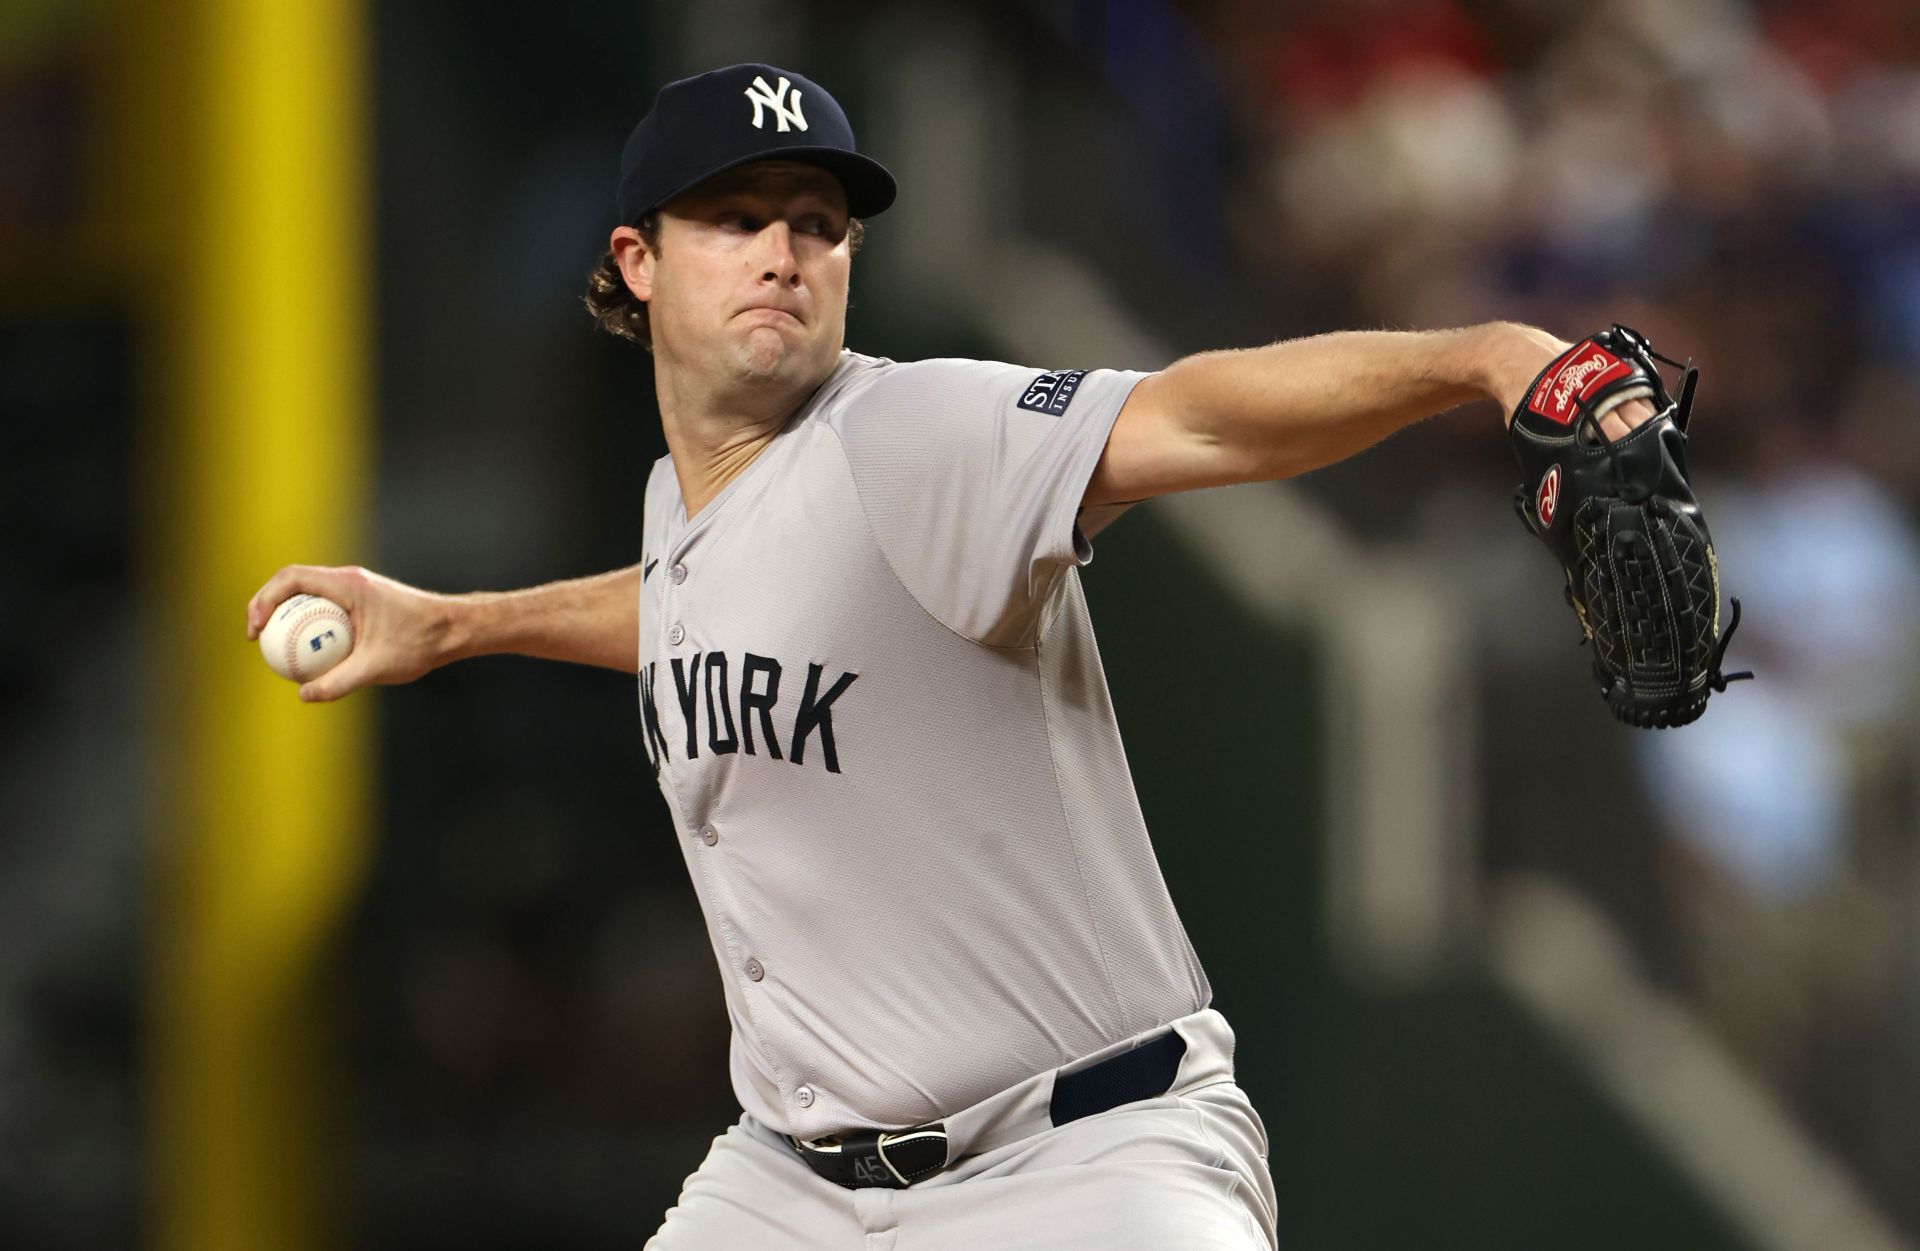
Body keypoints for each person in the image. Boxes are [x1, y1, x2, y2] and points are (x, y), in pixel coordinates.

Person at [246, 63, 1652, 1250]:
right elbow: (710, 611)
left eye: (816, 222)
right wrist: (465, 622)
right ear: (636, 260)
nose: (786, 253)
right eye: (736, 219)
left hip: (1080, 1165)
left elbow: (1197, 419)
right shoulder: (692, 500)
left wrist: (1486, 357)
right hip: (790, 1192)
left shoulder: (910, 435)